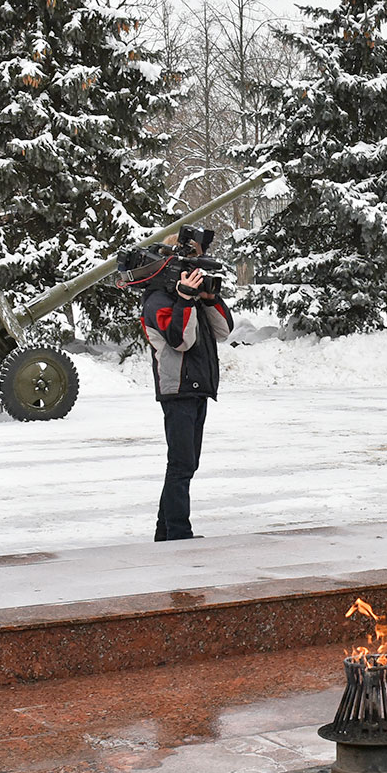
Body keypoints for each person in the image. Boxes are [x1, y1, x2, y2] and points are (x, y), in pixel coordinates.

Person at [140, 228, 233, 541]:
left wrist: (209, 298)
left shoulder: (188, 298)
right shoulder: (157, 300)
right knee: (181, 465)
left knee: (186, 464)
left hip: (197, 388)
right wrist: (184, 300)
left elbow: (223, 332)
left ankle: (165, 532)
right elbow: (181, 340)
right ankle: (179, 532)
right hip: (177, 389)